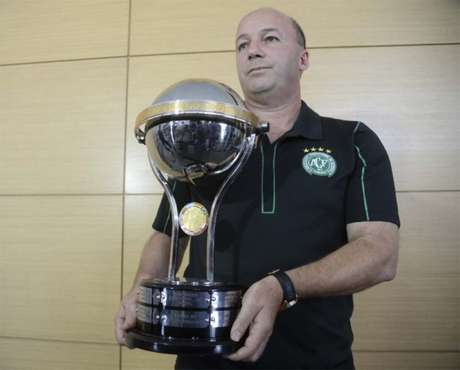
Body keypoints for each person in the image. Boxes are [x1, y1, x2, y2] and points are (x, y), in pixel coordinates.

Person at [115, 7, 400, 370]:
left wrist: (282, 286)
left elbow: (380, 253)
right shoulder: (202, 139)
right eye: (242, 44)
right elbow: (167, 235)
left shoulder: (353, 140)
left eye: (270, 38)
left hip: (316, 360)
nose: (253, 50)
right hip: (204, 361)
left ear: (303, 58)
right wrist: (140, 288)